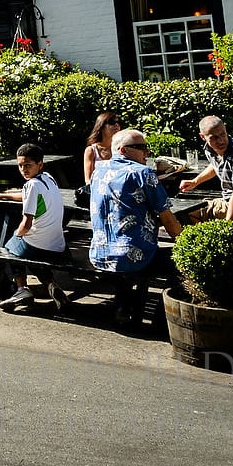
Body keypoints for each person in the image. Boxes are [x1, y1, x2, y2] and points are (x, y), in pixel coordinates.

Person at [90, 128, 183, 325]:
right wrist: (185, 244)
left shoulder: (99, 171)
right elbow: (167, 219)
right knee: (180, 261)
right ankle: (163, 318)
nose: (147, 153)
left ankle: (123, 303)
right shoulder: (144, 173)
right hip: (131, 257)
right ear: (123, 150)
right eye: (141, 148)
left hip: (98, 254)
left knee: (128, 250)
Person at [0, 143, 69, 312]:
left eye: (28, 166)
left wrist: (18, 235)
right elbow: (26, 197)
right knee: (29, 249)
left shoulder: (31, 185)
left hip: (39, 244)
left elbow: (26, 223)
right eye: (20, 165)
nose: (23, 169)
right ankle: (50, 284)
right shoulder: (48, 178)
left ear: (40, 164)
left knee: (9, 247)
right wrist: (2, 195)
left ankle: (22, 289)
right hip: (57, 245)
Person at [83, 111, 120, 184]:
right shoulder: (91, 150)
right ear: (101, 126)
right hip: (98, 190)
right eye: (112, 122)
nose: (116, 125)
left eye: (118, 122)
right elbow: (88, 180)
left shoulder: (121, 149)